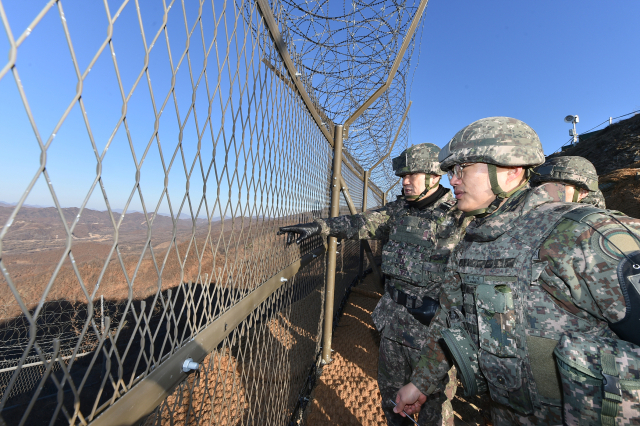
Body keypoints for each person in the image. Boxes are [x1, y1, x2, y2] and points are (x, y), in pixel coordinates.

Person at [394, 117, 640, 425]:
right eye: (451, 172)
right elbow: (449, 321)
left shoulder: (583, 233)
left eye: (462, 169)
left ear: (511, 170)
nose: (453, 180)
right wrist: (420, 383)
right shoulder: (472, 242)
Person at [278, 143, 470, 425]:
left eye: (412, 175)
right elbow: (360, 223)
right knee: (392, 398)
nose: (404, 181)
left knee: (434, 404)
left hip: (433, 332)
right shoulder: (399, 211)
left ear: (435, 176)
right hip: (393, 321)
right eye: (402, 176)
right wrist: (319, 226)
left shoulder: (460, 217)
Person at [530, 156, 606, 207]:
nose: (546, 192)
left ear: (583, 192)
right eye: (542, 187)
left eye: (557, 186)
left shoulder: (598, 225)